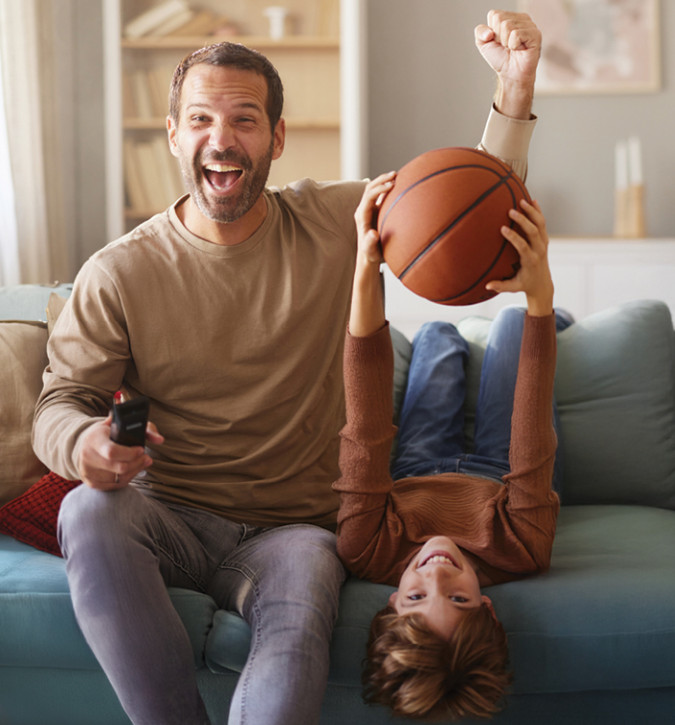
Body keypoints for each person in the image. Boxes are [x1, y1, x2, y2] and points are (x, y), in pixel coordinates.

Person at [32, 10, 544, 725]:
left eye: (244, 119)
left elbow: (468, 210)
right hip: (170, 513)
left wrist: (514, 88)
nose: (221, 137)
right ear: (175, 134)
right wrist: (83, 443)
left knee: (304, 581)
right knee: (86, 507)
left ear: (275, 137)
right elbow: (59, 403)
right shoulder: (118, 272)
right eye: (202, 118)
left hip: (294, 528)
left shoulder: (335, 218)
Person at [333, 175, 569, 720]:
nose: (436, 570)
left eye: (416, 596)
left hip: (416, 467)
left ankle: (459, 336)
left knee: (437, 336)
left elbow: (364, 424)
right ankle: (552, 321)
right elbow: (531, 431)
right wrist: (541, 295)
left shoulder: (364, 548)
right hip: (501, 473)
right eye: (458, 598)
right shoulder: (523, 551)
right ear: (487, 606)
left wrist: (366, 265)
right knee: (512, 321)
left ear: (392, 601)